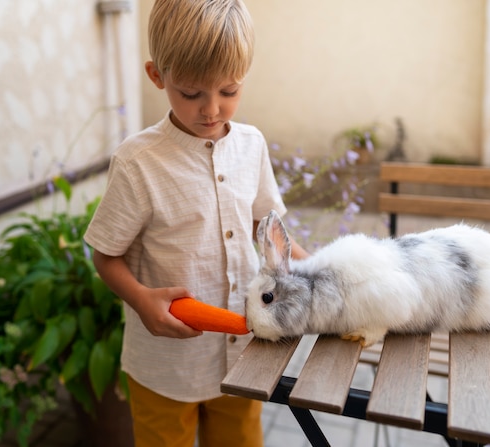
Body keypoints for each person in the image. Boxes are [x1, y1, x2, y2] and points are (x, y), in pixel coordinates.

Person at [84, 0, 308, 445]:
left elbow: (267, 225)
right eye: (191, 94)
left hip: (244, 353)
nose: (212, 109)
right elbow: (105, 255)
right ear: (157, 76)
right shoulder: (138, 161)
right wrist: (143, 300)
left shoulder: (251, 144)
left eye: (229, 91)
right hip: (166, 368)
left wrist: (317, 270)